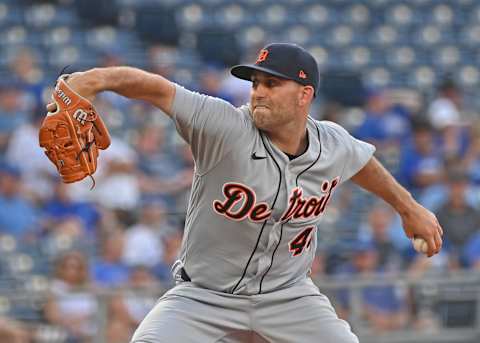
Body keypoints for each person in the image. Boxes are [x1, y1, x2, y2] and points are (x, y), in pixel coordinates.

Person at [46, 43, 443, 343]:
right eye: (255, 83)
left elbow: (363, 164)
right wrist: (95, 80)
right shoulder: (225, 126)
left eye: (272, 83)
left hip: (288, 296)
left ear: (304, 95)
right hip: (204, 296)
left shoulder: (332, 143)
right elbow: (157, 90)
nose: (258, 92)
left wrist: (409, 209)